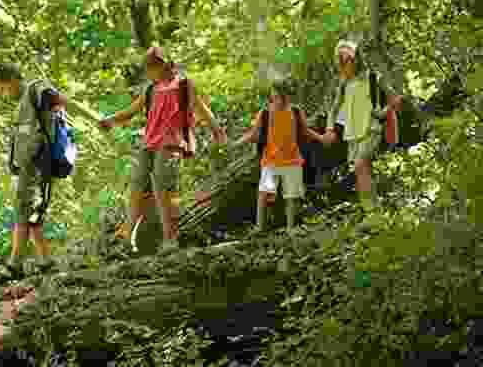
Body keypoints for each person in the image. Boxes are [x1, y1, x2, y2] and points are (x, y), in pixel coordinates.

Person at [99, 47, 227, 253]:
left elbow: (201, 108)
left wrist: (218, 132)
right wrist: (111, 120)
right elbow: (131, 112)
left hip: (172, 143)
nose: (148, 73)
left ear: (162, 65)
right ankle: (127, 238)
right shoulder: (151, 89)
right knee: (138, 189)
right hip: (149, 144)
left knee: (164, 191)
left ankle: (170, 239)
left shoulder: (184, 85)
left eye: (150, 68)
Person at [0, 62, 96, 280]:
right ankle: (45, 261)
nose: (2, 93)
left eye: (3, 88)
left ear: (12, 80)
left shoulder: (37, 90)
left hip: (40, 164)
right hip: (28, 166)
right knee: (32, 213)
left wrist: (96, 120)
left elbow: (65, 101)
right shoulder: (24, 103)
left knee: (24, 211)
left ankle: (14, 265)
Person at [314, 39, 403, 212]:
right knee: (361, 171)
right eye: (341, 60)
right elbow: (333, 109)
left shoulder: (373, 77)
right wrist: (330, 129)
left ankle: (373, 211)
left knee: (362, 164)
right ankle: (372, 210)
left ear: (356, 59)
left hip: (372, 129)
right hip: (352, 134)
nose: (345, 63)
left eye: (348, 59)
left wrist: (383, 112)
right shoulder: (343, 84)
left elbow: (395, 100)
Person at [231, 78, 320, 230]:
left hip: (292, 160)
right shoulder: (265, 113)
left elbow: (306, 131)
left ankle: (290, 228)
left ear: (287, 96)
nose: (279, 99)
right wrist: (235, 144)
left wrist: (322, 138)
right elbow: (253, 134)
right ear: (273, 95)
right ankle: (260, 227)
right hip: (270, 161)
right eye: (276, 95)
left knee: (291, 196)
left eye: (282, 96)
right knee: (264, 194)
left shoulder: (295, 112)